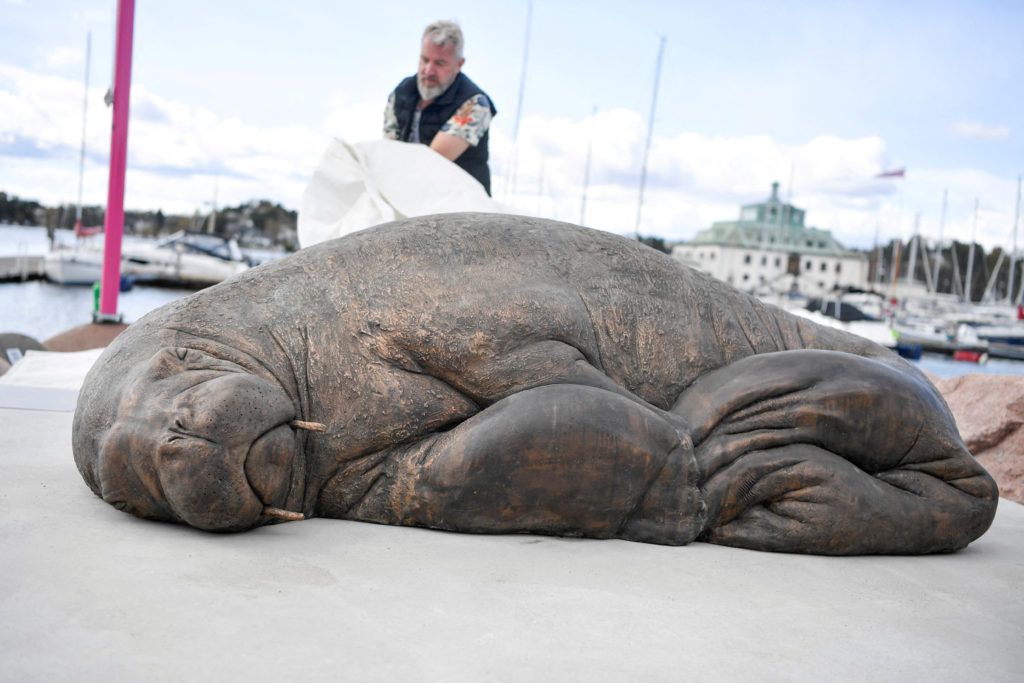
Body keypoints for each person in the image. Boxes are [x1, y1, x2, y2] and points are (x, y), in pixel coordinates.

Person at [384, 20, 497, 195]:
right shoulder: (401, 94)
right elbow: (389, 152)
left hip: (463, 205)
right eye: (424, 59)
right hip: (408, 195)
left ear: (459, 64)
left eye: (440, 63)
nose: (429, 70)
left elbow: (434, 162)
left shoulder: (476, 103)